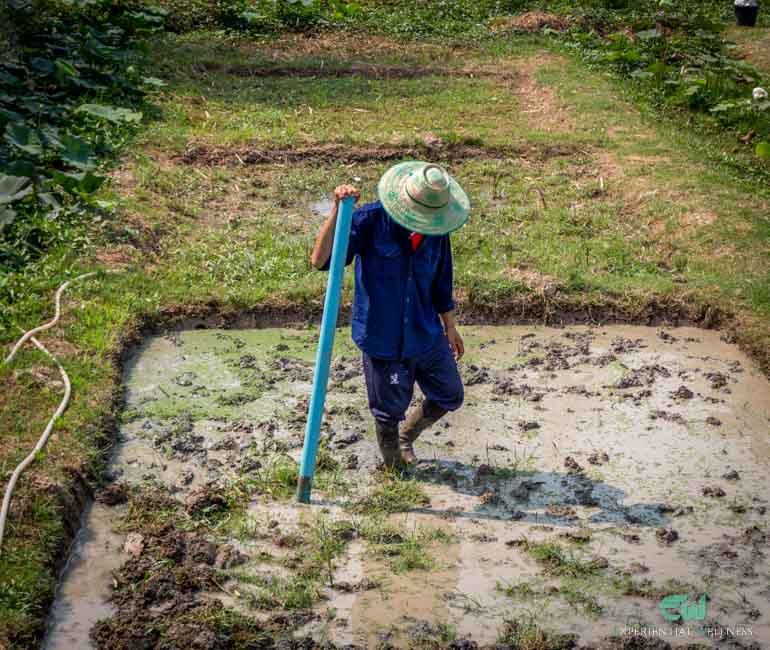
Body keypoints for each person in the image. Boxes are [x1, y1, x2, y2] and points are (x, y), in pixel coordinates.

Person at [311, 161, 471, 467]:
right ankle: (394, 468)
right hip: (383, 337)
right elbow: (321, 260)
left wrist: (450, 325)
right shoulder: (369, 221)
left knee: (450, 393)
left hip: (425, 331)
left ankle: (405, 437)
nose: (425, 221)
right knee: (388, 412)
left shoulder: (437, 230)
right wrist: (337, 212)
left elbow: (441, 279)